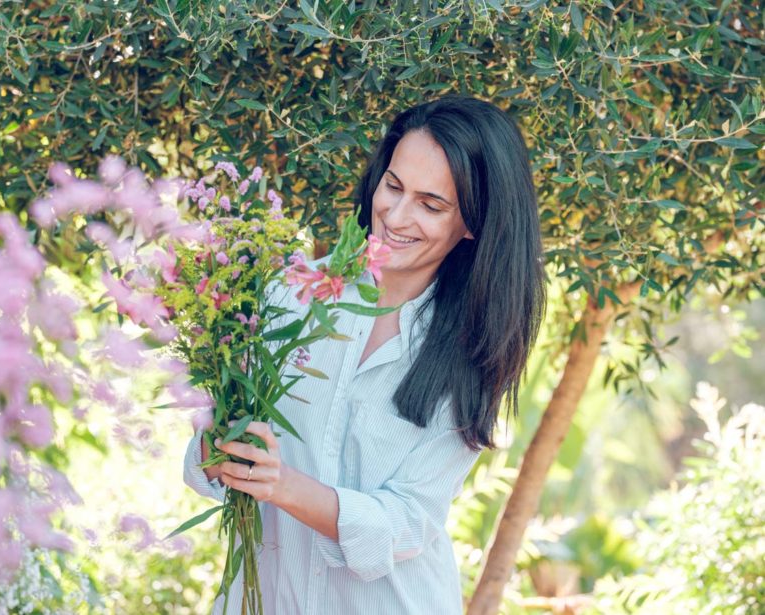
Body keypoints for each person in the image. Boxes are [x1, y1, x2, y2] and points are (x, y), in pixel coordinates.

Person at [183, 95, 546, 614]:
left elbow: (407, 523)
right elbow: (207, 463)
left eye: (431, 204)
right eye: (393, 186)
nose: (396, 216)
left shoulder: (474, 351)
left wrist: (284, 485)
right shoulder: (288, 292)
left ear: (472, 225)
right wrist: (218, 446)